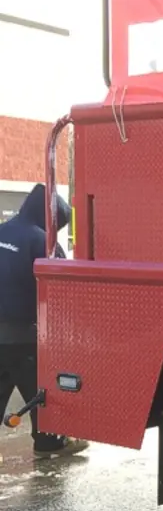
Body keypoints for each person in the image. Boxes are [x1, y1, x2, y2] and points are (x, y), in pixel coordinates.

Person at [0, 183, 89, 458]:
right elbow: (62, 290)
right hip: (25, 335)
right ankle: (49, 442)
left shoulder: (3, 230)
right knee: (42, 392)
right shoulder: (41, 241)